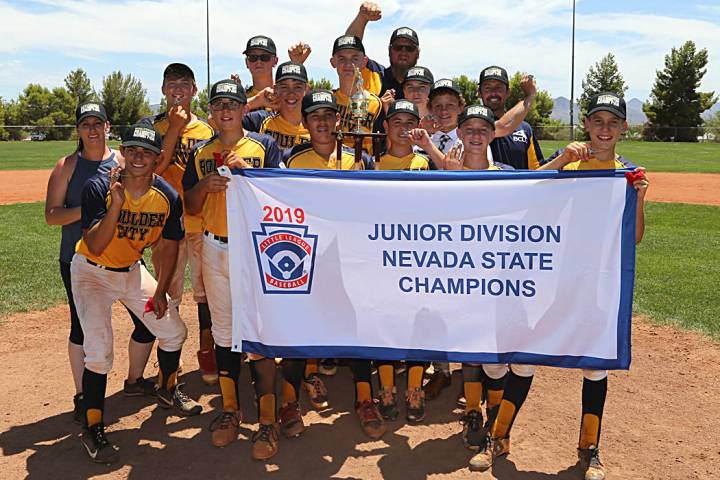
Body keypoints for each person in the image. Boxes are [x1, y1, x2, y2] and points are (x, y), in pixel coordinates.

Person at [472, 92, 649, 480]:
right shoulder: (572, 164)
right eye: (598, 121)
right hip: (553, 281)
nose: (604, 129)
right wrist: (563, 159)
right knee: (526, 358)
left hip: (596, 286)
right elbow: (535, 191)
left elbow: (632, 239)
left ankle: (590, 449)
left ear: (623, 128)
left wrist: (638, 198)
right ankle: (498, 437)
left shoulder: (627, 174)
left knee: (594, 368)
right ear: (586, 124)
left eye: (612, 122)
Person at [183, 79, 302, 460]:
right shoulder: (202, 152)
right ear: (212, 112)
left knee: (259, 333)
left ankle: (267, 419)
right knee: (223, 332)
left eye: (232, 104)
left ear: (243, 109)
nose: (225, 111)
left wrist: (247, 176)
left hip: (255, 250)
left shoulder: (262, 146)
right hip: (215, 246)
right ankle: (231, 410)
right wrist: (205, 185)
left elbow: (283, 194)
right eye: (218, 105)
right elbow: (190, 204)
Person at [72, 123, 202, 463]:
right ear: (123, 153)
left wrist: (161, 290)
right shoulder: (99, 186)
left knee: (174, 331)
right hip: (91, 273)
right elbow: (97, 246)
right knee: (99, 352)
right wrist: (115, 205)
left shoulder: (167, 197)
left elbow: (171, 244)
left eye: (146, 152)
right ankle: (93, 426)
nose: (139, 158)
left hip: (131, 271)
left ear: (159, 157)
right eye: (132, 150)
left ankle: (167, 387)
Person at [45, 102, 159, 425]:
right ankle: (82, 395)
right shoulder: (67, 165)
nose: (93, 130)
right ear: (79, 130)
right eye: (86, 124)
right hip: (78, 260)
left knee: (147, 320)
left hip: (125, 260)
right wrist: (94, 209)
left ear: (108, 126)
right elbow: (52, 215)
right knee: (81, 329)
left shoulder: (123, 161)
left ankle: (134, 381)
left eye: (98, 123)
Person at [284, 90, 386, 441]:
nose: (323, 122)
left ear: (338, 120)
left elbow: (376, 208)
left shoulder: (359, 158)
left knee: (355, 326)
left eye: (329, 115)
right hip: (308, 258)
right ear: (305, 121)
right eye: (315, 116)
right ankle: (288, 402)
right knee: (299, 329)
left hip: (349, 256)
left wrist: (364, 181)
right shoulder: (292, 160)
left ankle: (364, 398)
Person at [440, 104, 514, 466]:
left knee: (497, 353)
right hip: (460, 277)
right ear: (458, 133)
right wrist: (450, 180)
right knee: (470, 349)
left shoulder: (507, 173)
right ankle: (473, 413)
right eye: (468, 128)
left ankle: (499, 420)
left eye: (483, 128)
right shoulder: (447, 172)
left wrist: (560, 162)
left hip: (498, 277)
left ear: (493, 133)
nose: (475, 135)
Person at [141, 63, 217, 386]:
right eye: (171, 85)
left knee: (206, 291)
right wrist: (173, 128)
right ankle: (168, 364)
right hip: (166, 226)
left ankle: (206, 348)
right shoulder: (153, 127)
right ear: (163, 90)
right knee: (168, 292)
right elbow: (152, 170)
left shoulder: (206, 131)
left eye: (184, 85)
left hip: (199, 221)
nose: (177, 91)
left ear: (194, 91)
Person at [345, 2, 419, 99]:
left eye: (410, 48)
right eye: (398, 47)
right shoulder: (374, 74)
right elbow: (348, 50)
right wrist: (362, 18)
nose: (403, 52)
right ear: (389, 50)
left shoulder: (424, 85)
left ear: (418, 53)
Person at [478, 65, 545, 169]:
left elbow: (537, 170)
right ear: (479, 93)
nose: (493, 93)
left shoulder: (525, 129)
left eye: (498, 88)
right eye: (488, 88)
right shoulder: (473, 126)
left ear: (508, 92)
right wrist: (530, 95)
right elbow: (503, 125)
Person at [330, 34, 383, 154]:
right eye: (342, 58)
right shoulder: (328, 100)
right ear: (333, 62)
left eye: (354, 58)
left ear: (364, 61)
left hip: (363, 168)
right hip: (331, 167)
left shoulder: (376, 104)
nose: (348, 64)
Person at [243, 61, 311, 149]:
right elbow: (219, 125)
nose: (291, 93)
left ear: (307, 89)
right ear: (275, 89)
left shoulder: (317, 126)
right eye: (284, 87)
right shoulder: (261, 120)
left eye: (297, 87)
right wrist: (255, 101)